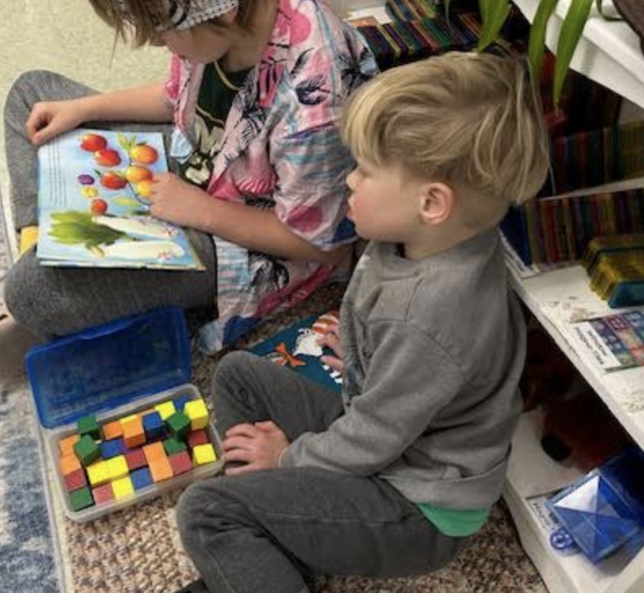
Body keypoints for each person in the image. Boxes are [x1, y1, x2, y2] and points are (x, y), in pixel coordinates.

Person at [0, 0, 376, 379]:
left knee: (28, 290)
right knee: (32, 93)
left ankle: (45, 295)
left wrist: (198, 210)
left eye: (161, 29)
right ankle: (45, 256)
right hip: (190, 168)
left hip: (239, 240)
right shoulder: (234, 9)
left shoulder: (315, 98)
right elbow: (176, 98)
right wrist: (84, 110)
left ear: (216, 10)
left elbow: (323, 245)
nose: (155, 43)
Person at [173, 51, 551, 593]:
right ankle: (271, 537)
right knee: (236, 374)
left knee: (206, 511)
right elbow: (403, 373)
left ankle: (254, 532)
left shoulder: (430, 313)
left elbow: (373, 438)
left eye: (365, 171)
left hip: (417, 504)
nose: (349, 180)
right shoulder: (436, 235)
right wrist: (359, 353)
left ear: (432, 202)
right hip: (386, 434)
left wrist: (287, 459)